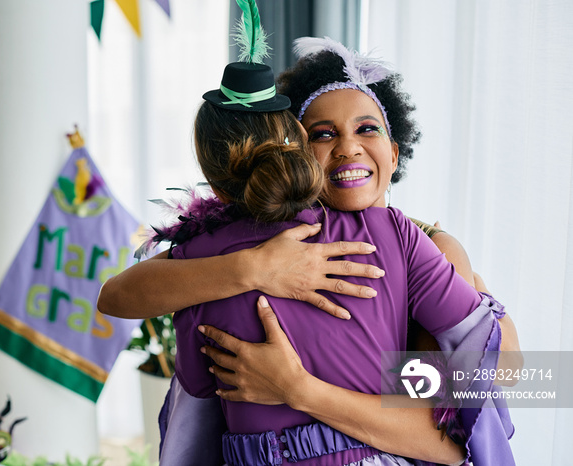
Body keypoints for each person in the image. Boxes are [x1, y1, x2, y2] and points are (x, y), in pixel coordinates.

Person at [102, 38, 515, 465]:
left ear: (394, 155)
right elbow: (120, 294)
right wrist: (255, 268)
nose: (348, 147)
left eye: (367, 128)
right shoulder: (223, 256)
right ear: (296, 151)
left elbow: (456, 425)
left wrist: (297, 389)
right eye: (322, 134)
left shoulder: (423, 246)